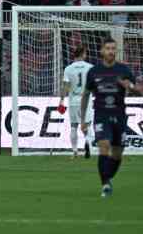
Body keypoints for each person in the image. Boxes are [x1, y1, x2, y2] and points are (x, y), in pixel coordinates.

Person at [80, 37, 138, 197]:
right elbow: (86, 95)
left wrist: (130, 87)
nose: (111, 52)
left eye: (113, 49)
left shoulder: (124, 70)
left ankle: (107, 177)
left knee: (118, 153)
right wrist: (83, 119)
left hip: (119, 115)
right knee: (104, 145)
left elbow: (139, 91)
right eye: (108, 49)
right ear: (102, 51)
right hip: (101, 115)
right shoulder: (94, 71)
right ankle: (105, 184)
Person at [58, 43, 92, 159]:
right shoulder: (90, 67)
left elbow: (65, 86)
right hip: (86, 100)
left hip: (73, 101)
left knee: (73, 126)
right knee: (86, 125)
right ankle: (87, 143)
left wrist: (62, 101)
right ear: (83, 54)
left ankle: (75, 151)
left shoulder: (68, 68)